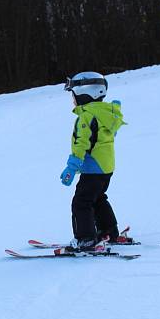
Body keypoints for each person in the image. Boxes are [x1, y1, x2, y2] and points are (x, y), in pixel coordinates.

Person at [59, 71, 127, 252]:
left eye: (73, 95)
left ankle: (86, 239)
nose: (72, 100)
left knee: (81, 202)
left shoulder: (86, 117)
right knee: (97, 198)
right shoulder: (106, 113)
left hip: (93, 169)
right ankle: (109, 232)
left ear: (84, 93)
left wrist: (71, 168)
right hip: (106, 168)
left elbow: (81, 144)